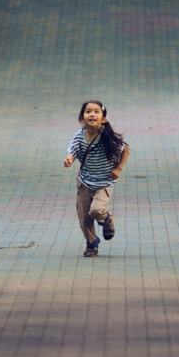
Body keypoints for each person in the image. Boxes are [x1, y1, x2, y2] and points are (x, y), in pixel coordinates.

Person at [63, 100, 130, 257]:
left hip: (104, 183)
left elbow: (125, 150)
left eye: (96, 112)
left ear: (103, 119)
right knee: (84, 217)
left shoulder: (108, 137)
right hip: (85, 182)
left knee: (96, 210)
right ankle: (91, 245)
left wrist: (118, 169)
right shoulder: (79, 136)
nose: (92, 114)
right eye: (88, 111)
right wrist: (69, 160)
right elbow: (72, 150)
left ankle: (107, 221)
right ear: (82, 118)